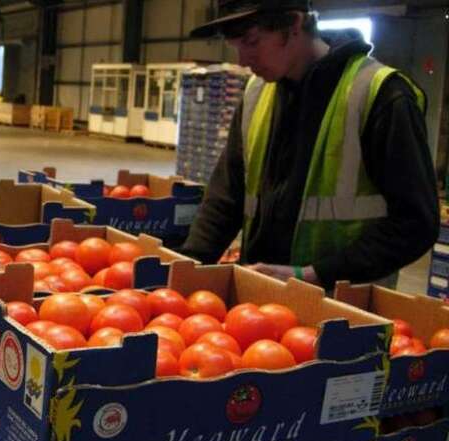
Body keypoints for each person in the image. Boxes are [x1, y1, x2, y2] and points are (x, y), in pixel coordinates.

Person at [181, 0, 439, 289]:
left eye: (251, 42)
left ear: (293, 24)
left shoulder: (380, 95)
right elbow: (226, 197)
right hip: (260, 303)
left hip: (343, 309)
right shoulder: (256, 94)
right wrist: (187, 269)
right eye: (235, 45)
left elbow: (416, 223)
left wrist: (315, 274)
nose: (241, 60)